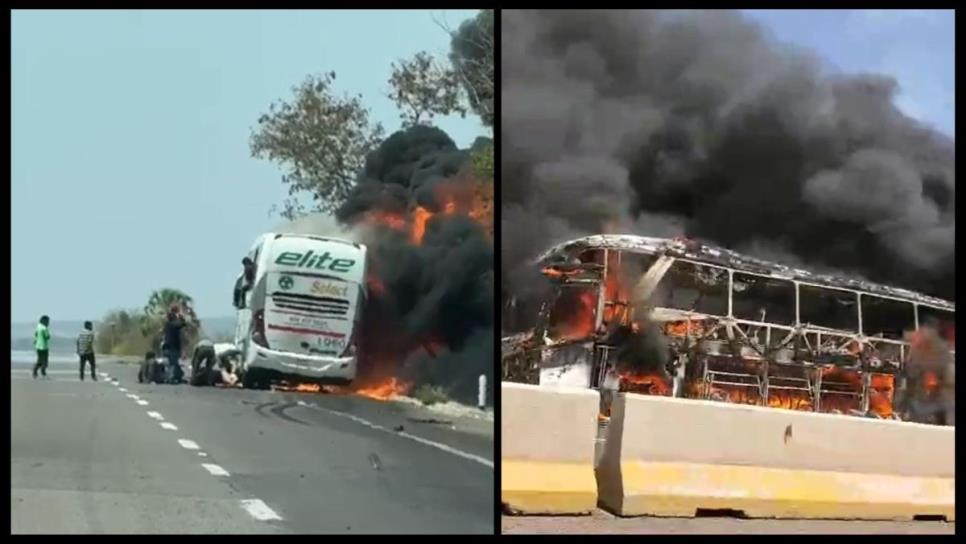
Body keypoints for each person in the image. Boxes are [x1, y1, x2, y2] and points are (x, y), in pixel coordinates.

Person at [162, 306, 187, 384]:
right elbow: (183, 324)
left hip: (166, 346)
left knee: (171, 363)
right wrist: (181, 316)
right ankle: (171, 378)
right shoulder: (173, 324)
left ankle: (176, 376)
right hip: (173, 346)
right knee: (173, 363)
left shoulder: (167, 324)